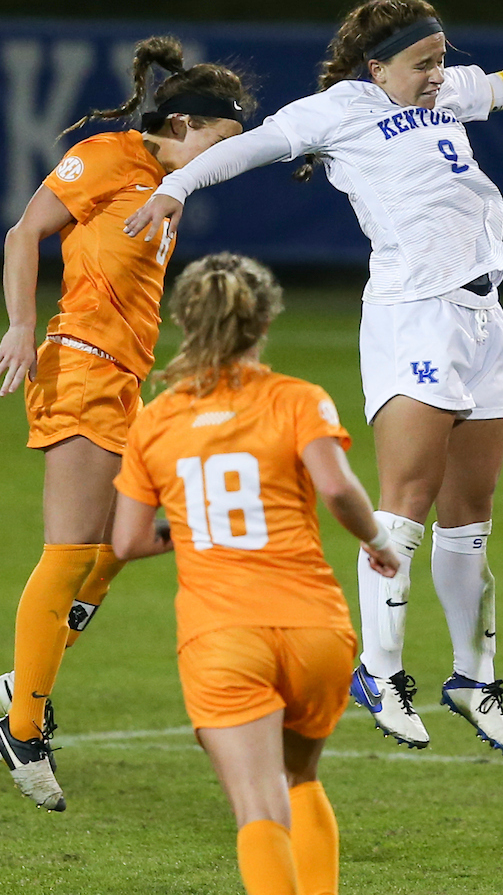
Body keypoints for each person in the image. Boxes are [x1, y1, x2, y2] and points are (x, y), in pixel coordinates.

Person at [124, 0, 503, 757]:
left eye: (441, 58)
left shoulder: (449, 92)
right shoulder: (336, 111)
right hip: (414, 316)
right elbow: (243, 150)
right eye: (423, 62)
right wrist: (172, 188)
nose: (437, 73)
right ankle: (379, 671)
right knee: (407, 502)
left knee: (471, 513)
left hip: (484, 318)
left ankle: (472, 678)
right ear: (377, 66)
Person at [0, 36, 257, 812]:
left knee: (134, 537)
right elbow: (22, 233)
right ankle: (23, 726)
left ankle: (29, 670)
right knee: (71, 551)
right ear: (183, 123)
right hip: (79, 366)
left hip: (123, 380)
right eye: (220, 139)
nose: (223, 157)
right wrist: (18, 324)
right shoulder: (110, 156)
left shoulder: (173, 183)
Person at [111, 252, 397, 895]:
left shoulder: (155, 421)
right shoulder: (298, 400)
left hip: (224, 636)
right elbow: (338, 488)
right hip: (316, 629)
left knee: (257, 808)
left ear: (183, 321)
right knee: (301, 780)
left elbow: (126, 540)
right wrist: (378, 541)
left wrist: (186, 529)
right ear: (263, 322)